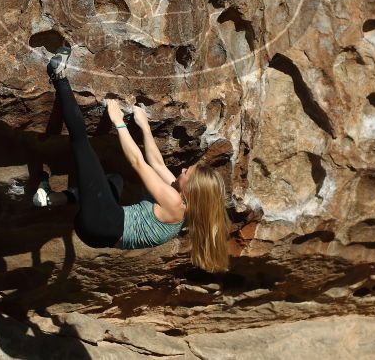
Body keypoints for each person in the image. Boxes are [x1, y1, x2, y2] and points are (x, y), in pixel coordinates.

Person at [34, 46, 230, 273]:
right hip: (101, 233)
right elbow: (157, 163)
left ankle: (57, 75)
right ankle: (51, 198)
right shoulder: (182, 201)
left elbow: (138, 162)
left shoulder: (173, 202)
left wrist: (118, 122)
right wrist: (145, 128)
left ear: (193, 190)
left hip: (103, 222)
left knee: (82, 144)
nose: (184, 168)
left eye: (188, 173)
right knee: (114, 181)